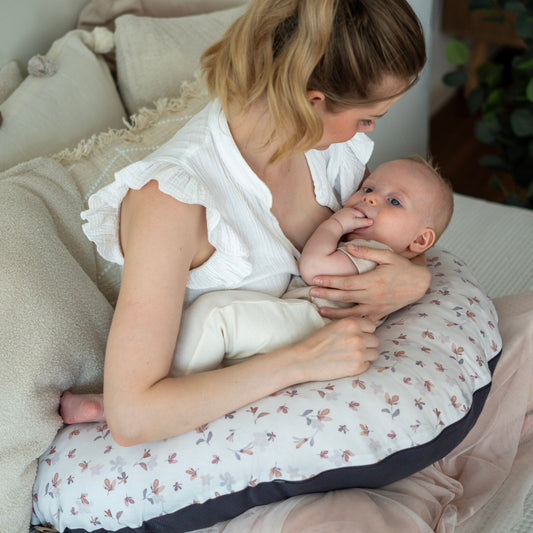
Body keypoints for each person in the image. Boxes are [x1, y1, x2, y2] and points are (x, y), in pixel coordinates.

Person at [60, 0, 430, 445]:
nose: (367, 132)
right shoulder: (174, 201)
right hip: (213, 420)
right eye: (367, 118)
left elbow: (388, 237)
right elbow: (133, 416)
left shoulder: (327, 147)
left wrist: (414, 279)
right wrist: (302, 360)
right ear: (313, 101)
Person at [61, 155, 452, 417]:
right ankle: (143, 397)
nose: (370, 201)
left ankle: (129, 403)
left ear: (420, 241)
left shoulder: (368, 251)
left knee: (216, 315)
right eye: (369, 188)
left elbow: (315, 267)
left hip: (313, 322)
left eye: (394, 203)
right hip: (304, 318)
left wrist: (334, 226)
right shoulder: (392, 256)